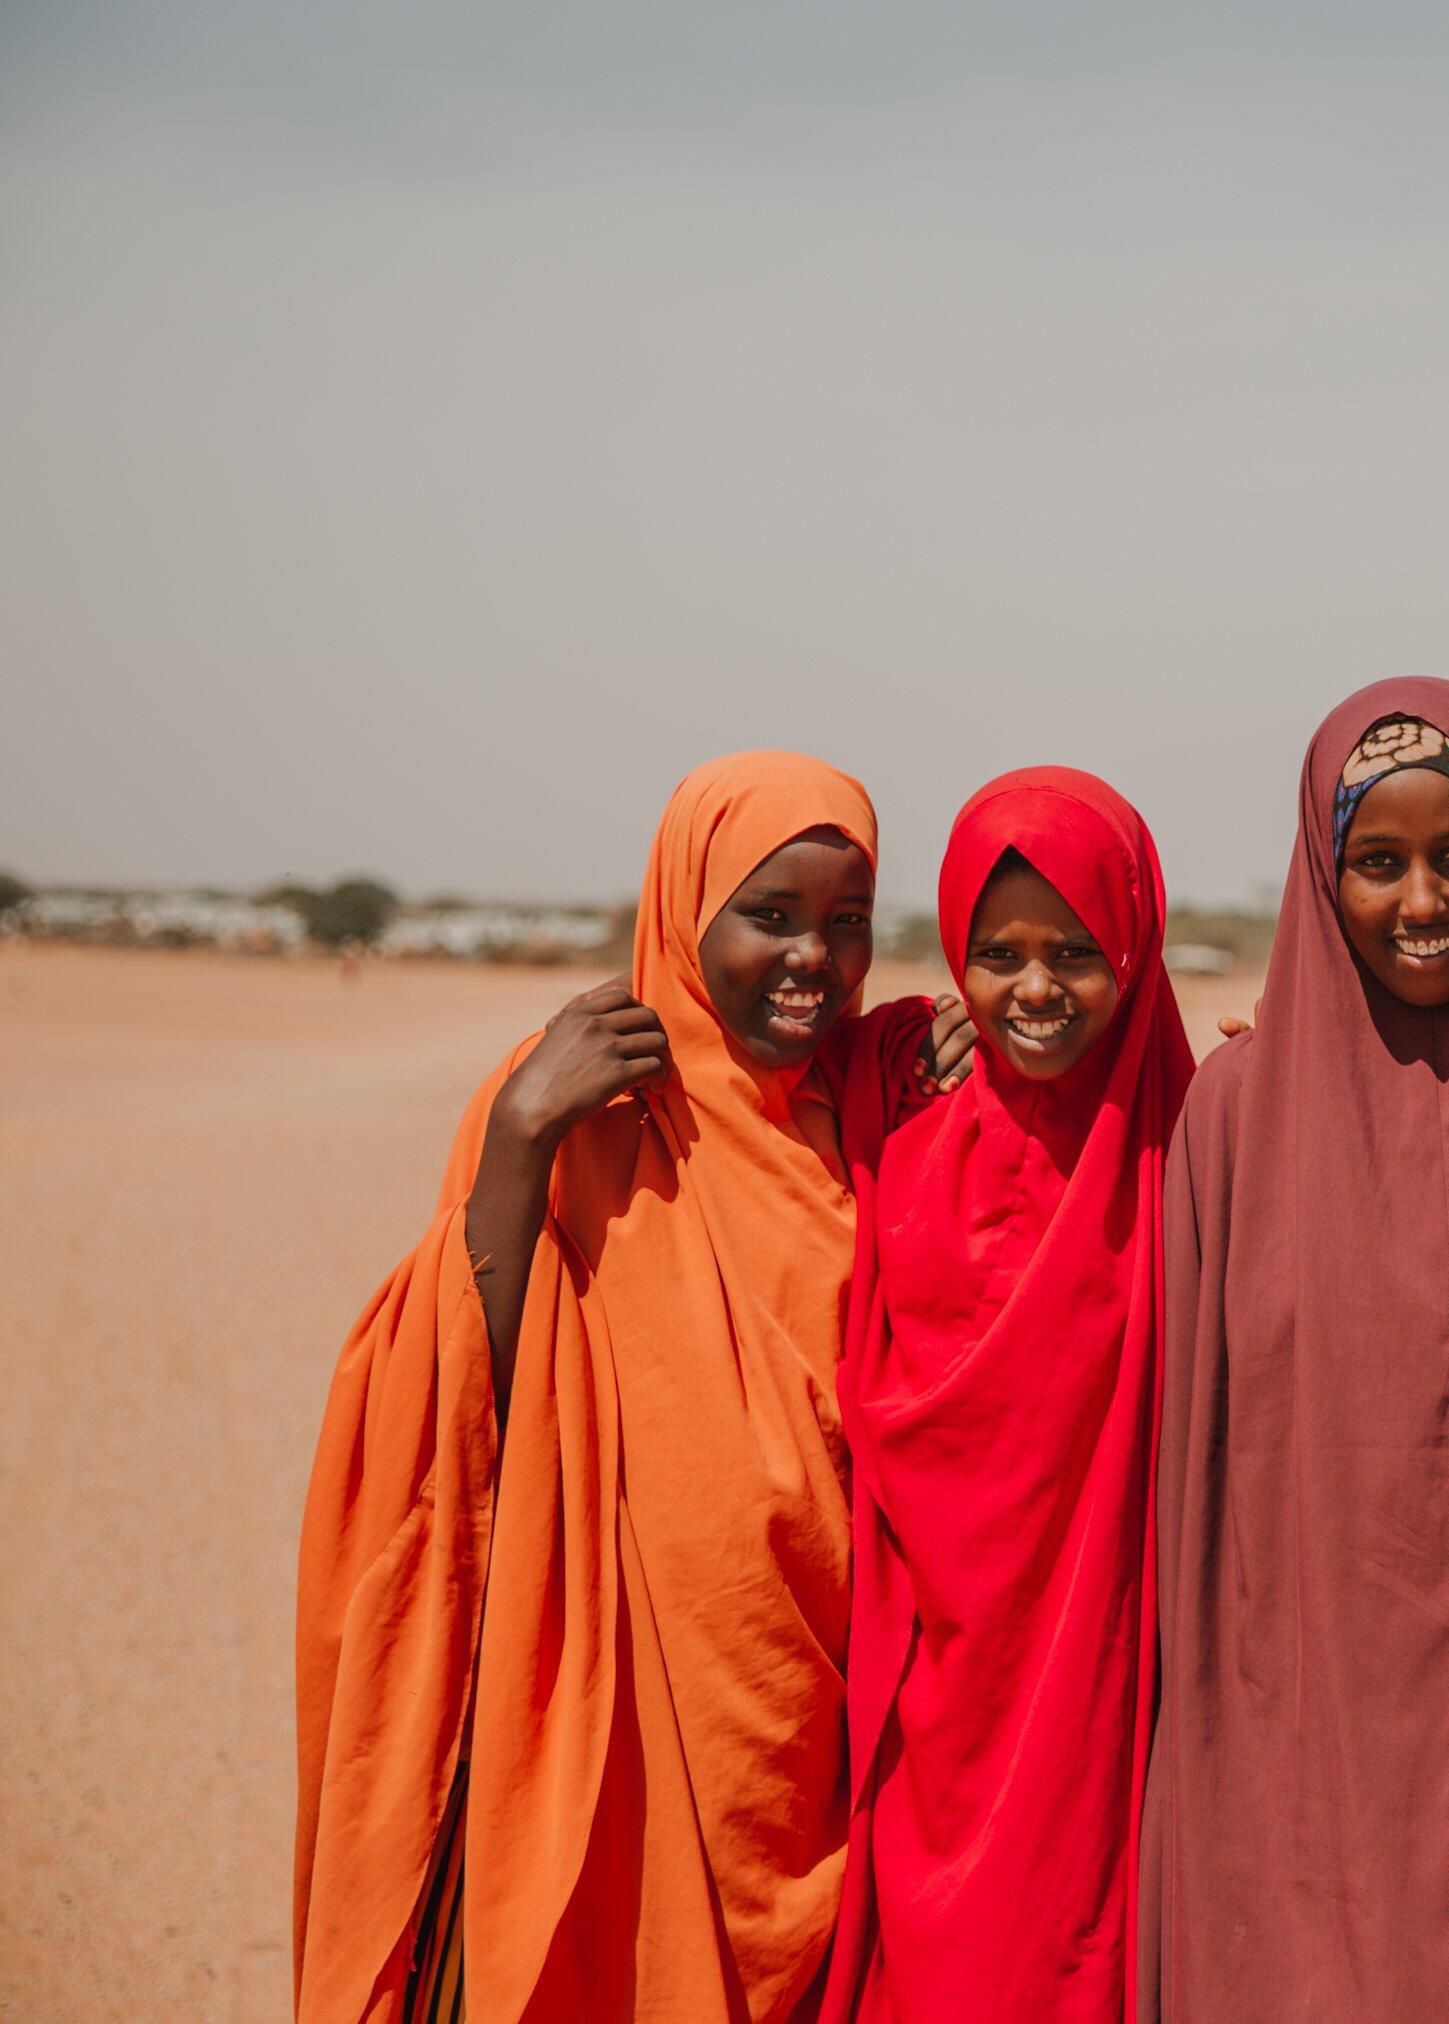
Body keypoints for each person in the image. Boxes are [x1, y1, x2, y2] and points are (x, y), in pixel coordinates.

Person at [293, 752, 954, 2024]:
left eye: (847, 922)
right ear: (682, 909)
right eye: (770, 915)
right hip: (623, 1722)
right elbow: (449, 1401)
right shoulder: (576, 1103)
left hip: (810, 1730)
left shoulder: (873, 1104)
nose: (813, 957)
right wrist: (517, 1141)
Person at [1142, 679, 1449, 2023]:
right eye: (1377, 862)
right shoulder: (1241, 1116)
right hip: (1313, 1729)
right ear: (1322, 871)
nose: (1421, 903)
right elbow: (1204, 1471)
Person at [823, 768, 1195, 2022]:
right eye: (999, 953)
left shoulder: (1198, 1141)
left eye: (1078, 952)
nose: (1035, 989)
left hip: (1102, 1683)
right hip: (928, 1683)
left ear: (1137, 947)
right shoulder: (897, 1105)